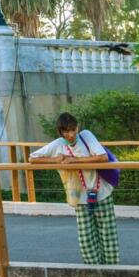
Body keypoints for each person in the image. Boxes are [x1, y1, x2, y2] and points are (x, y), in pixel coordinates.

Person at [29, 112, 117, 265]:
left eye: (73, 129)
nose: (71, 134)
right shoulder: (58, 144)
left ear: (77, 127)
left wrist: (74, 160)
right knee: (86, 240)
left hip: (102, 191)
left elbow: (102, 157)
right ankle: (95, 271)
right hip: (80, 197)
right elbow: (32, 158)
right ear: (60, 132)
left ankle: (112, 271)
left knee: (108, 236)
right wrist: (55, 160)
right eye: (66, 131)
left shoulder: (86, 135)